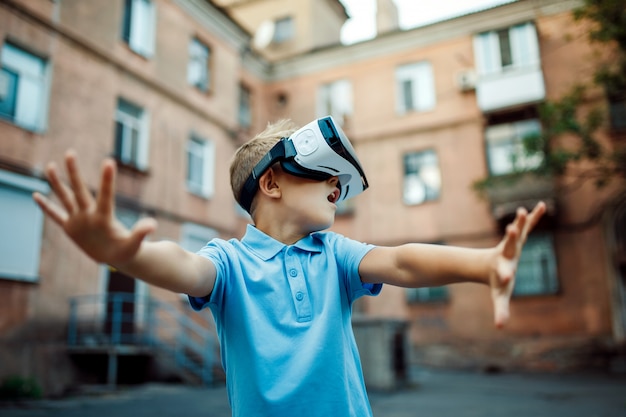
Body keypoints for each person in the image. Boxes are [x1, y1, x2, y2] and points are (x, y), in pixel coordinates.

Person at [33, 117, 546, 417]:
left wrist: (485, 263)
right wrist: (124, 254)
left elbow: (403, 261)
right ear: (272, 183)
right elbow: (183, 267)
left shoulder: (335, 255)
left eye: (342, 185)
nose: (337, 189)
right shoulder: (229, 264)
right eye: (327, 175)